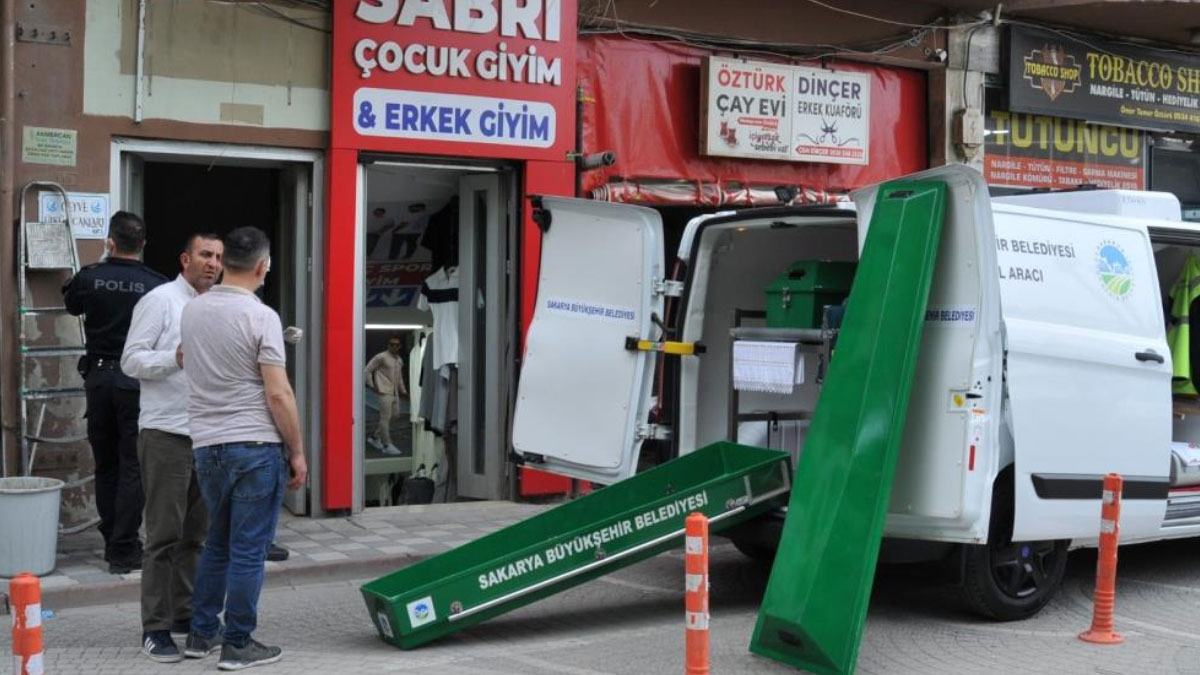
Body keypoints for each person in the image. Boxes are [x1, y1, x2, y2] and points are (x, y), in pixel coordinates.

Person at [179, 226, 307, 670]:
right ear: (261, 267)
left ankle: (201, 633)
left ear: (226, 260)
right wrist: (297, 451)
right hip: (254, 445)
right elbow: (278, 395)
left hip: (207, 446)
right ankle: (238, 642)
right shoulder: (261, 317)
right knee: (249, 549)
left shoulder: (193, 310)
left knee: (218, 542)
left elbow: (185, 360)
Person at [121, 233, 223, 662]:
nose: (212, 263)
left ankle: (184, 614)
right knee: (162, 536)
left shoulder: (217, 306)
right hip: (166, 433)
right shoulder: (160, 300)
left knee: (195, 537)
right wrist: (173, 360)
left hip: (206, 435)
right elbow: (131, 359)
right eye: (204, 255)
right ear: (185, 259)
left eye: (218, 257)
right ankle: (155, 627)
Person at [62, 211, 167, 574]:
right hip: (136, 383)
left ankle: (113, 540)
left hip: (99, 380)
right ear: (143, 244)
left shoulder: (90, 277)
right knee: (132, 465)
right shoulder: (156, 284)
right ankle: (125, 547)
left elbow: (71, 305)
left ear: (110, 241)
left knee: (106, 463)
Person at [365, 335, 408, 455]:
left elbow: (399, 378)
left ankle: (375, 437)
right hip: (383, 391)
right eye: (392, 344)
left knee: (395, 415)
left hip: (394, 392)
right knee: (385, 417)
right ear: (388, 345)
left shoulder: (399, 360)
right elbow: (367, 370)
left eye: (397, 345)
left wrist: (403, 390)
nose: (394, 346)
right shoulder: (381, 357)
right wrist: (372, 385)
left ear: (400, 346)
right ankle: (386, 444)